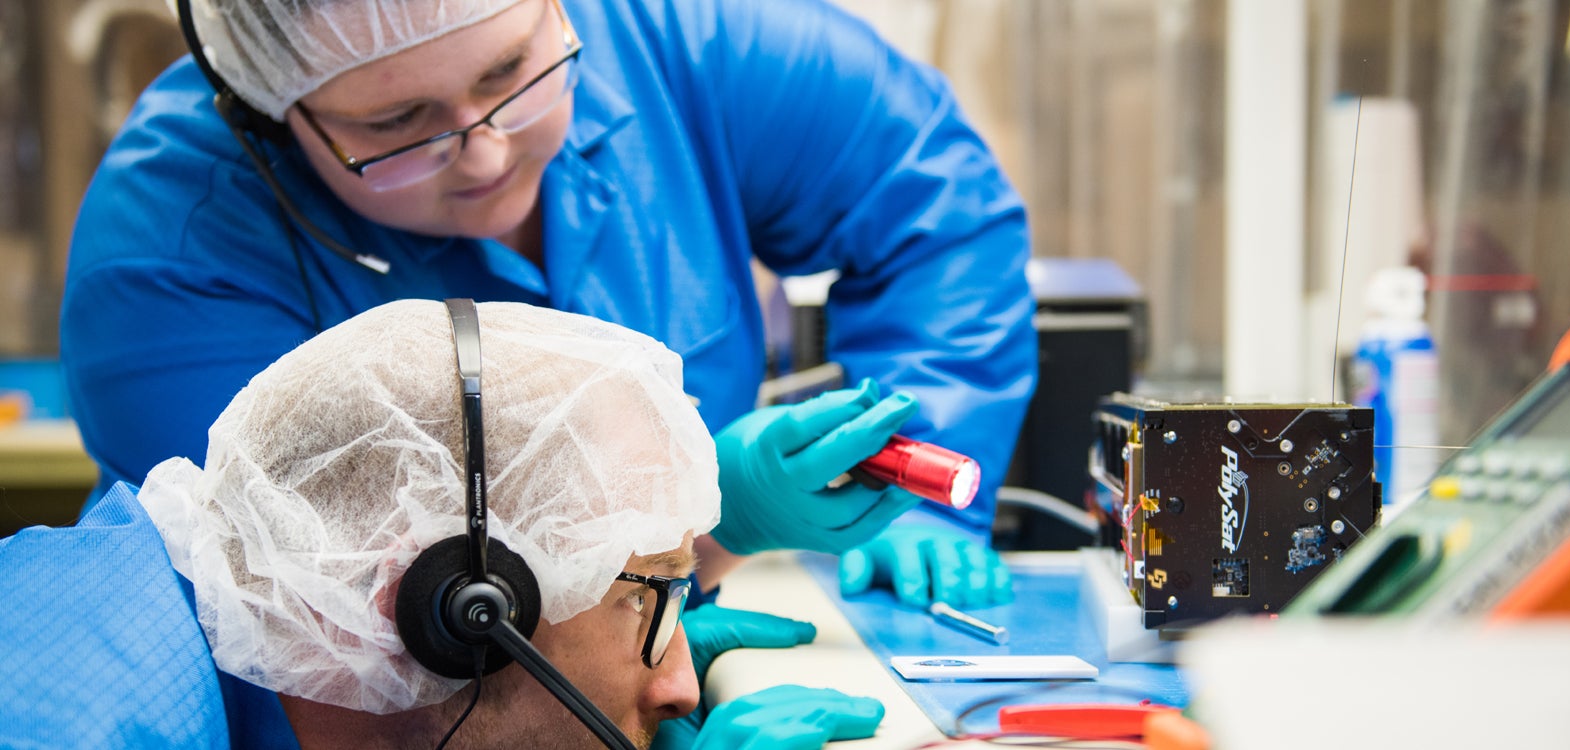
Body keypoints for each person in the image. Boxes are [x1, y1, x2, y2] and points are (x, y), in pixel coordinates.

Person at [61, 0, 1034, 606]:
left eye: (507, 75)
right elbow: (347, 626)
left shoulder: (679, 40)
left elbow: (936, 216)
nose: (484, 153)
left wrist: (922, 466)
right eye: (395, 122)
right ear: (268, 108)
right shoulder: (171, 259)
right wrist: (703, 521)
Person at [0, 299, 887, 748]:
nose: (682, 691)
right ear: (451, 602)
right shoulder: (81, 720)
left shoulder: (177, 615)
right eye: (648, 599)